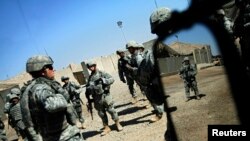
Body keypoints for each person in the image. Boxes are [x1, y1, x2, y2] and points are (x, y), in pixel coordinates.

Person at [21, 55, 83, 141]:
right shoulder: (39, 88)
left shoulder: (42, 85)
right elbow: (52, 105)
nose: (53, 69)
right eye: (50, 67)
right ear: (44, 70)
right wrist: (61, 95)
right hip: (62, 136)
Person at [126, 40, 164, 122]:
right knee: (150, 97)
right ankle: (157, 110)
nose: (129, 50)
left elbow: (142, 71)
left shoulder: (138, 57)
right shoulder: (133, 57)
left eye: (130, 48)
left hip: (146, 82)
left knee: (153, 97)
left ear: (134, 48)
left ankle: (159, 114)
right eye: (128, 49)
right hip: (142, 82)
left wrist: (131, 68)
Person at [85, 61, 123, 136]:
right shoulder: (90, 78)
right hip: (97, 99)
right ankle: (106, 127)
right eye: (90, 67)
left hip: (105, 96)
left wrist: (104, 81)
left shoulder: (102, 73)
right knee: (101, 114)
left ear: (95, 66)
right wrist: (88, 98)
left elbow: (112, 79)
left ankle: (118, 124)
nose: (91, 68)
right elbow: (87, 88)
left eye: (92, 66)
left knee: (111, 110)